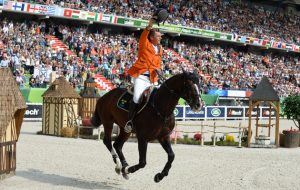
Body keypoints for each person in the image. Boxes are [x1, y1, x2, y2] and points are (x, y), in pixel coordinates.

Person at [124, 17, 163, 133]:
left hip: (153, 78)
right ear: (151, 37)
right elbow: (144, 33)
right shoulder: (144, 43)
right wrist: (149, 25)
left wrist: (159, 69)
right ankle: (129, 122)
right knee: (136, 97)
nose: (160, 37)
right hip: (141, 77)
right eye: (158, 36)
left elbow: (157, 63)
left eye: (160, 36)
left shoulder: (160, 49)